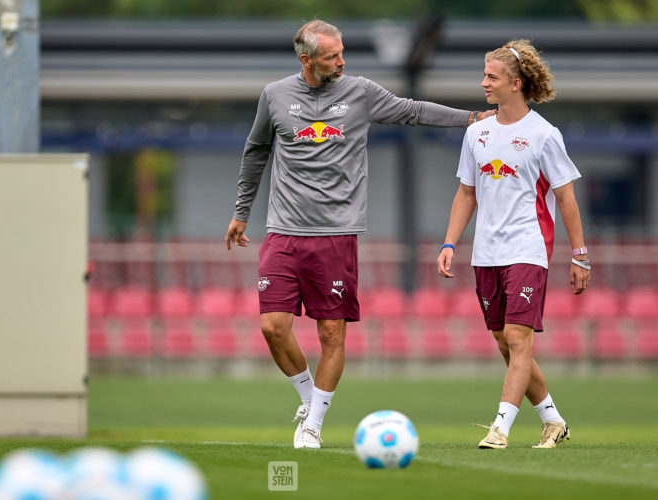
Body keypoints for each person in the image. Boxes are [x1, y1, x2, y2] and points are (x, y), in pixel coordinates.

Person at [225, 19, 495, 449]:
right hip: (283, 232)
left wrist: (473, 118)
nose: (342, 61)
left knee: (331, 334)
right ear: (306, 59)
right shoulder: (274, 96)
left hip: (336, 235)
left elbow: (413, 110)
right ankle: (310, 397)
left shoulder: (360, 92)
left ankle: (312, 425)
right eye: (333, 56)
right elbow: (256, 150)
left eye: (342, 52)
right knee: (273, 327)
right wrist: (241, 212)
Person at [437, 39, 590, 449]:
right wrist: (449, 242)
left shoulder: (544, 135)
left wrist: (580, 255)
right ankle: (553, 420)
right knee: (507, 343)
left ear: (517, 84)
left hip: (528, 250)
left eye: (492, 76)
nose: (483, 82)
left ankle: (500, 428)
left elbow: (566, 197)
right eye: (484, 74)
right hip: (486, 254)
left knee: (519, 340)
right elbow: (466, 193)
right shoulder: (478, 133)